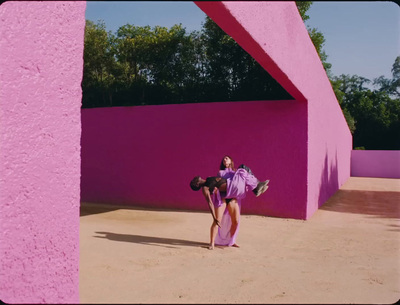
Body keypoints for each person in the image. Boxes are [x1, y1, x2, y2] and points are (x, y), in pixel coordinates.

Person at [190, 164, 269, 250]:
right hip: (222, 198)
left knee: (235, 221)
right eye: (195, 180)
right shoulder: (205, 188)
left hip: (232, 196)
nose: (197, 178)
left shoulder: (209, 178)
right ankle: (212, 243)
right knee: (217, 221)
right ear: (197, 184)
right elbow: (210, 203)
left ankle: (232, 241)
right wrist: (214, 217)